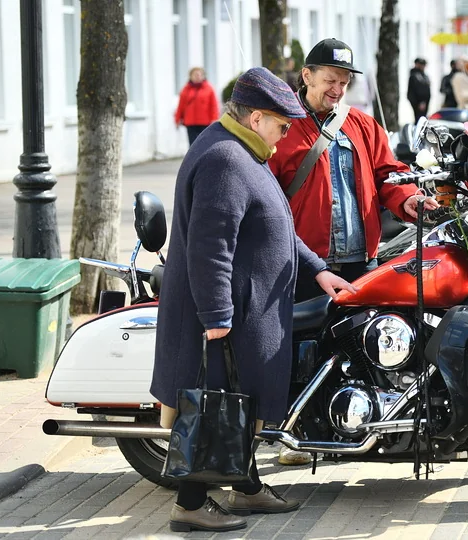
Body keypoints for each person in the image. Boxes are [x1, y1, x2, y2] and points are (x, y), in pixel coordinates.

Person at [151, 67, 357, 532]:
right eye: (283, 125)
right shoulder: (227, 159)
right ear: (257, 117)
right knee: (216, 409)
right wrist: (217, 316)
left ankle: (246, 489)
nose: (286, 135)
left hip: (249, 311)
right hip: (231, 317)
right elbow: (211, 246)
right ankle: (190, 503)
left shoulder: (245, 150)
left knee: (240, 406)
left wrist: (318, 269)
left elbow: (276, 225)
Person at [269, 38, 439, 466]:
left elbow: (389, 175)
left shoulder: (362, 124)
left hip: (360, 258)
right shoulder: (282, 127)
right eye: (330, 80)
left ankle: (344, 425)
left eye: (343, 82)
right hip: (304, 258)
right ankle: (292, 435)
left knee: (352, 345)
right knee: (302, 346)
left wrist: (409, 200)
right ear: (305, 76)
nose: (337, 90)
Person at [174, 67, 220, 146]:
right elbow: (181, 106)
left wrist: (214, 118)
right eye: (195, 75)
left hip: (205, 122)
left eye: (199, 74)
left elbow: (214, 105)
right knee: (192, 144)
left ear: (203, 76)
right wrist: (177, 119)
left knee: (204, 143)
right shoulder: (185, 90)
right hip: (190, 122)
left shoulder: (209, 89)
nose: (197, 76)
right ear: (190, 76)